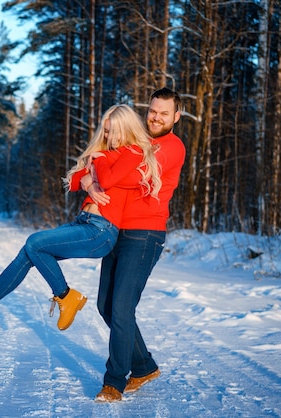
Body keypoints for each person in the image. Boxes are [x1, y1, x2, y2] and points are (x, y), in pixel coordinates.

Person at [0, 104, 162, 331]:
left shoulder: (132, 152)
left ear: (127, 128)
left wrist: (96, 164)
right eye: (106, 131)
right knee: (28, 253)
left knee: (34, 242)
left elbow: (107, 180)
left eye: (114, 131)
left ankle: (66, 296)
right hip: (84, 223)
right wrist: (89, 183)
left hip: (101, 231)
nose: (109, 137)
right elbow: (74, 179)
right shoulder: (106, 154)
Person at [77, 88, 186, 402]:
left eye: (164, 113)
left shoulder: (172, 147)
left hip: (145, 232)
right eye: (153, 110)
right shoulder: (136, 141)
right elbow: (98, 159)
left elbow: (128, 175)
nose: (156, 117)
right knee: (106, 306)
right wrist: (88, 177)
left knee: (122, 307)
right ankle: (144, 365)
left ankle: (114, 382)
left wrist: (96, 173)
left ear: (176, 117)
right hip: (117, 228)